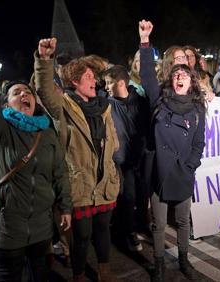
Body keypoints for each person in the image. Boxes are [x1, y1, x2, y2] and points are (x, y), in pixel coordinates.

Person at [34, 38, 120, 282]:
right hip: (80, 185)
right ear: (75, 82)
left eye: (94, 77)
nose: (95, 81)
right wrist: (44, 60)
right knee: (82, 237)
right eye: (89, 77)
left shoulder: (103, 106)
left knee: (103, 232)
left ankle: (105, 273)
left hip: (105, 183)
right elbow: (44, 90)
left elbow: (114, 140)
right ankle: (79, 275)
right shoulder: (63, 106)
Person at [139, 20, 206, 281]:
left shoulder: (198, 109)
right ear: (171, 79)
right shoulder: (160, 100)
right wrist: (145, 41)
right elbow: (146, 76)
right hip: (159, 172)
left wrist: (190, 166)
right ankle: (158, 265)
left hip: (183, 173)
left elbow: (199, 143)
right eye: (176, 74)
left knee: (182, 222)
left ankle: (184, 261)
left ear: (192, 81)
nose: (180, 77)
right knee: (157, 224)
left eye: (185, 74)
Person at [0, 73, 72, 281]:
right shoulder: (0, 130)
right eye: (16, 93)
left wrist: (65, 207)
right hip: (8, 226)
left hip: (41, 226)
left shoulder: (47, 133)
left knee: (40, 274)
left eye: (28, 92)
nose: (24, 94)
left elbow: (60, 172)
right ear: (6, 104)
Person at [103, 65, 150, 252]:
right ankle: (129, 232)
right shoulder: (106, 105)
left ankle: (143, 226)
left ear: (121, 82)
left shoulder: (141, 101)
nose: (106, 86)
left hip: (141, 157)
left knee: (142, 195)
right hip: (122, 161)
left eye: (109, 82)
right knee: (127, 197)